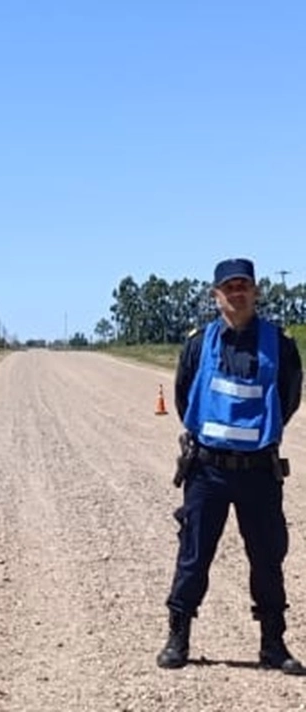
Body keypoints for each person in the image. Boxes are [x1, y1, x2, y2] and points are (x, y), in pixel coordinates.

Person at [157, 257, 305, 673]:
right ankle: (177, 638)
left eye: (244, 286)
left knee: (267, 559)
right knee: (193, 556)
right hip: (208, 470)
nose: (237, 293)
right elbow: (186, 398)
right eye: (229, 287)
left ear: (256, 292)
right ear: (216, 295)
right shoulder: (198, 343)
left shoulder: (281, 343)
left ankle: (273, 645)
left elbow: (289, 399)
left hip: (259, 471)